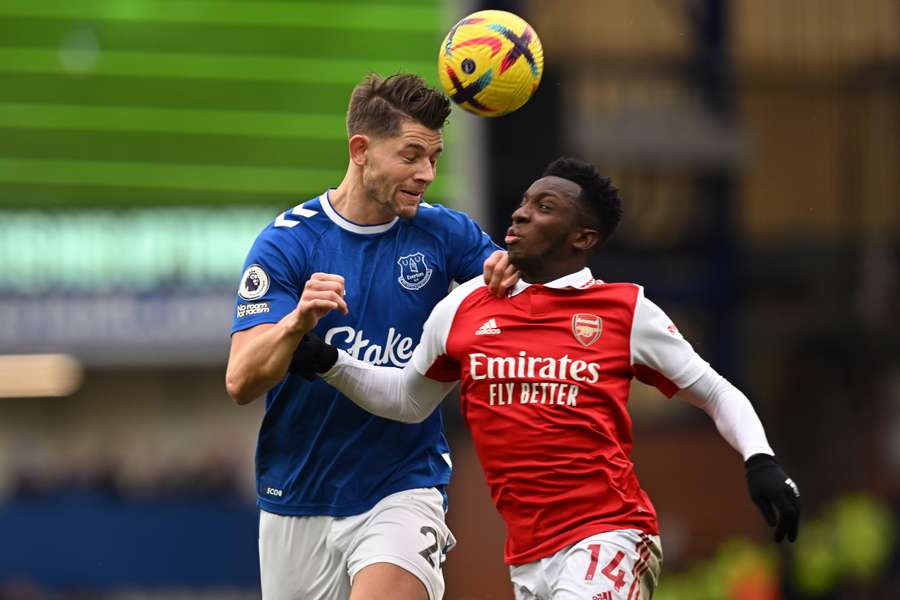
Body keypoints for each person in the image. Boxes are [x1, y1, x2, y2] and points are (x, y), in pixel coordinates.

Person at [294, 157, 802, 599]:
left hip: (610, 534)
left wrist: (761, 460)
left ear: (583, 237)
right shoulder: (465, 306)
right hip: (528, 555)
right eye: (524, 202)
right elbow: (408, 399)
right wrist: (329, 363)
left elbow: (715, 390)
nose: (520, 213)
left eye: (545, 207)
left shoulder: (624, 310)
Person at [225, 72, 517, 600]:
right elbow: (242, 381)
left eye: (434, 157)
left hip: (403, 486)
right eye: (410, 156)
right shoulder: (287, 244)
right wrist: (295, 325)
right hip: (297, 493)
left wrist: (512, 278)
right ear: (361, 150)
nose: (426, 172)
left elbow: (513, 292)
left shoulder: (445, 234)